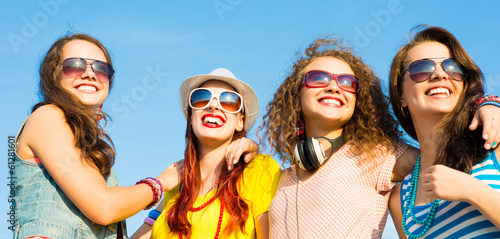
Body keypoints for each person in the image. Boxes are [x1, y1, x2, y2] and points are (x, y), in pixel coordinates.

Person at [11, 34, 255, 239]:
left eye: (101, 68)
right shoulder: (47, 117)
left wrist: (165, 208)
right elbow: (104, 207)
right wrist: (162, 183)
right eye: (75, 65)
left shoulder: (87, 151)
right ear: (53, 75)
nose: (89, 74)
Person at [259, 37, 500, 238]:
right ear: (295, 94)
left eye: (347, 82)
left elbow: (437, 153)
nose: (334, 87)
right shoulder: (279, 178)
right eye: (318, 78)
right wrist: (240, 142)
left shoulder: (374, 156)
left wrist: (485, 103)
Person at [388, 26, 500, 238]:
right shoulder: (400, 200)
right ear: (400, 95)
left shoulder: (494, 146)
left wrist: (472, 191)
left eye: (452, 67)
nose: (440, 74)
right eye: (421, 69)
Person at [143, 68, 281, 239]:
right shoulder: (178, 185)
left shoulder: (259, 168)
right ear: (191, 115)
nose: (213, 105)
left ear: (240, 122)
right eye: (201, 99)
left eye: (229, 101)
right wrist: (159, 184)